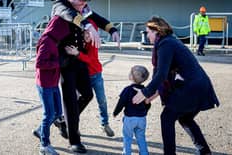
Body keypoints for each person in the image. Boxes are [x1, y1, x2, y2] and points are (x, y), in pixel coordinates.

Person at [132, 16, 220, 155]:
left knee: (167, 117)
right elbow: (161, 76)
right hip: (199, 85)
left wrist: (145, 93)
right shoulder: (169, 41)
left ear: (157, 31)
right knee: (185, 117)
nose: (147, 34)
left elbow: (161, 74)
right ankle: (204, 151)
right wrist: (150, 97)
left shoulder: (165, 44)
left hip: (192, 87)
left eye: (148, 31)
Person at [52, 0, 120, 153]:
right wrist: (87, 26)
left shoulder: (82, 8)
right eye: (81, 0)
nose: (83, 4)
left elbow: (99, 19)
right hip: (66, 61)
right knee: (69, 100)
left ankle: (62, 122)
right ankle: (74, 141)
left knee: (87, 94)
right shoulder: (60, 5)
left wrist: (112, 30)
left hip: (79, 60)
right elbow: (69, 14)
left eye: (85, 1)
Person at [64, 27, 115, 137]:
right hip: (82, 77)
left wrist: (77, 53)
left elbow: (90, 59)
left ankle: (104, 123)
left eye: (90, 33)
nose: (87, 35)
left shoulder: (93, 43)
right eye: (85, 33)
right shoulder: (79, 42)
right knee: (77, 102)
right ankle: (71, 124)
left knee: (102, 100)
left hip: (96, 75)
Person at [35, 13, 72, 155]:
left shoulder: (54, 40)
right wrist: (57, 63)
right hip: (45, 84)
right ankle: (44, 145)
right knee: (49, 114)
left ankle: (40, 131)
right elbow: (39, 63)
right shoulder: (47, 40)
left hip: (52, 82)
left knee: (57, 113)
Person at [113, 65, 151, 155]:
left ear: (132, 77)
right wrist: (144, 111)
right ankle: (144, 153)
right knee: (141, 137)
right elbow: (148, 104)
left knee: (127, 137)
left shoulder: (127, 90)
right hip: (142, 118)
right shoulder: (145, 91)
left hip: (129, 118)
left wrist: (116, 112)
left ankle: (127, 153)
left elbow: (121, 102)